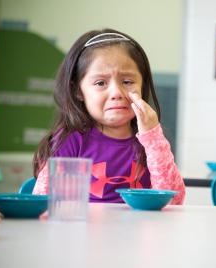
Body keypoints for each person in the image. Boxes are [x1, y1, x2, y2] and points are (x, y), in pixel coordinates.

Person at [32, 29, 185, 205]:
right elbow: (44, 203)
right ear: (78, 91)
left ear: (142, 86)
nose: (116, 93)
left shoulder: (151, 142)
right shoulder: (69, 141)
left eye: (127, 82)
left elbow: (174, 202)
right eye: (100, 83)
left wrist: (154, 139)